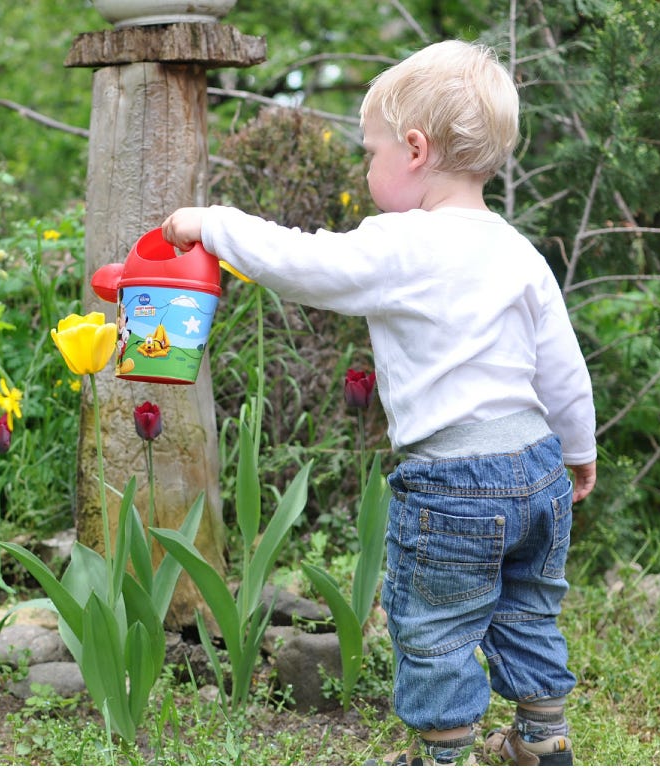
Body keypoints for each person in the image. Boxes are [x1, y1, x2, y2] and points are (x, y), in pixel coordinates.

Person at [161, 39, 597, 766]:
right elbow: (563, 370)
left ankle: (442, 754)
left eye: (371, 152)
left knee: (434, 625)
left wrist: (210, 225)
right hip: (537, 468)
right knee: (526, 610)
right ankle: (541, 735)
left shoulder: (402, 243)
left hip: (453, 483)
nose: (367, 169)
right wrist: (577, 451)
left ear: (415, 150)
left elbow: (301, 265)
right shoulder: (519, 251)